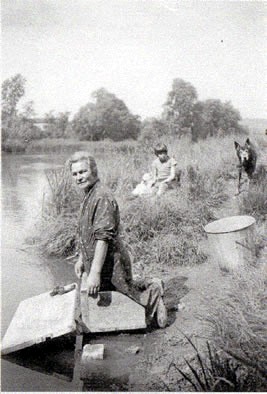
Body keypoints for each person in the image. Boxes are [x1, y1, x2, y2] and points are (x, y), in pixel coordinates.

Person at [68, 151, 167, 328]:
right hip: (98, 259)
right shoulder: (88, 194)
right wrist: (81, 259)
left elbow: (103, 238)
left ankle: (155, 292)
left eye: (83, 172)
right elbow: (86, 232)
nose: (79, 177)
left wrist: (95, 274)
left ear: (94, 171)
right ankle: (146, 284)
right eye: (75, 174)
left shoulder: (102, 197)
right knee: (107, 301)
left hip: (112, 262)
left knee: (131, 304)